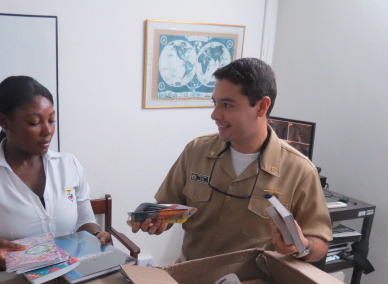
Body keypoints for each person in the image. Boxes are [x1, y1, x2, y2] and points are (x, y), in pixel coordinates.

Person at [132, 58, 332, 262]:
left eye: (227, 105)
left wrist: (303, 246)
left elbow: (320, 244)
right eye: (215, 103)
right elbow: (168, 207)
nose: (214, 114)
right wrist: (156, 220)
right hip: (189, 273)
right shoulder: (196, 151)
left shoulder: (299, 170)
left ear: (262, 107)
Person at [0, 76, 110, 284]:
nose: (47, 131)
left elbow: (85, 221)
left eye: (51, 120)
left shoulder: (69, 165)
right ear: (4, 121)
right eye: (34, 122)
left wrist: (97, 235)